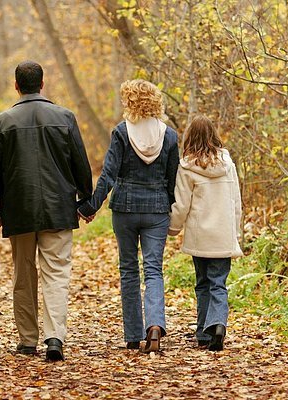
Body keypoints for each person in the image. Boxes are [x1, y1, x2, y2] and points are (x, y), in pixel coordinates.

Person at [0, 61, 93, 361]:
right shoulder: (65, 117)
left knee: (24, 274)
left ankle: (28, 340)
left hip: (19, 209)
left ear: (16, 86)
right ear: (43, 84)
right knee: (56, 274)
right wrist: (86, 199)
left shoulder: (3, 121)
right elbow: (80, 163)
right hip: (58, 208)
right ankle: (54, 336)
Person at [78, 79, 179, 353]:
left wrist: (89, 207)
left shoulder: (122, 132)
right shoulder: (169, 136)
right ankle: (155, 326)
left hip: (125, 208)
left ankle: (133, 335)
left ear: (130, 102)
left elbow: (108, 174)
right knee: (154, 269)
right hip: (157, 210)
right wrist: (170, 207)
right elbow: (173, 181)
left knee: (129, 269)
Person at [168, 115, 243, 351]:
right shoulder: (228, 165)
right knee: (218, 283)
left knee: (202, 283)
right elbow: (236, 203)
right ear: (214, 136)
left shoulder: (187, 167)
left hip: (200, 236)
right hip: (223, 234)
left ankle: (203, 332)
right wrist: (236, 232)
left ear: (190, 137)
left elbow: (181, 205)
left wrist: (173, 228)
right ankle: (218, 324)